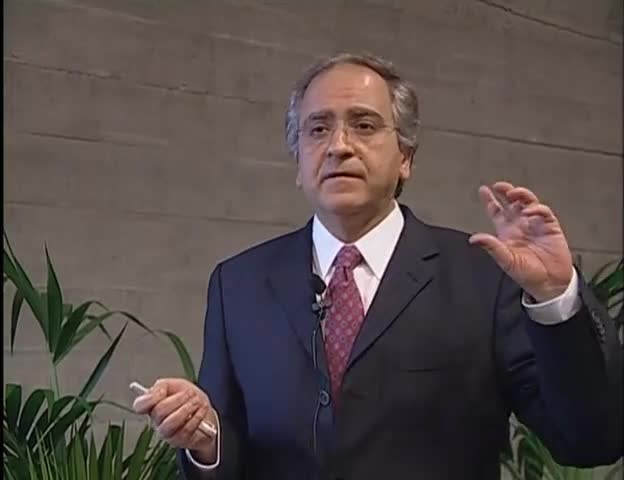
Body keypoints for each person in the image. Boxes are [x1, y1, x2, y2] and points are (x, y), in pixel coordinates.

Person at [133, 53, 622, 479]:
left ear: (405, 156)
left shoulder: (482, 278)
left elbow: (589, 439)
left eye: (364, 125)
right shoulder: (239, 284)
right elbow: (231, 449)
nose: (339, 145)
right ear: (298, 163)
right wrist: (206, 440)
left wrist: (555, 297)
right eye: (318, 129)